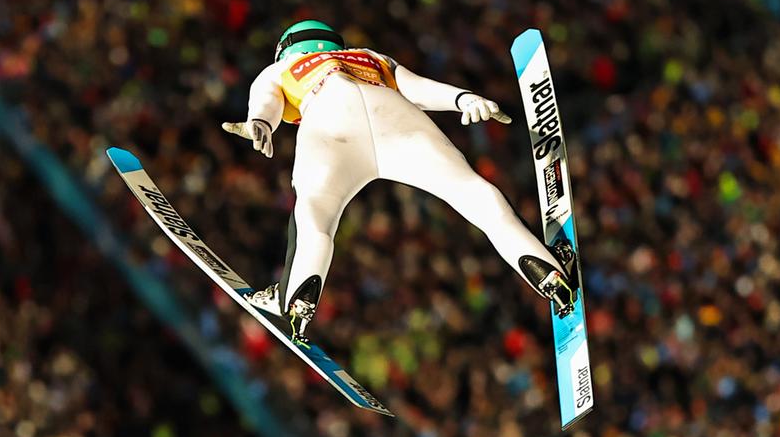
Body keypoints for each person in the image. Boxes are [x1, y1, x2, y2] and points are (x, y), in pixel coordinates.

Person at [223, 20, 575, 341]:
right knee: (473, 193)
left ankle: (294, 299)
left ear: (286, 48)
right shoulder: (368, 56)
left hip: (329, 117)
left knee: (315, 218)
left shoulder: (284, 67)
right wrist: (463, 98)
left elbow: (266, 96)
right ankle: (546, 269)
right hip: (393, 113)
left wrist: (261, 123)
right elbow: (417, 88)